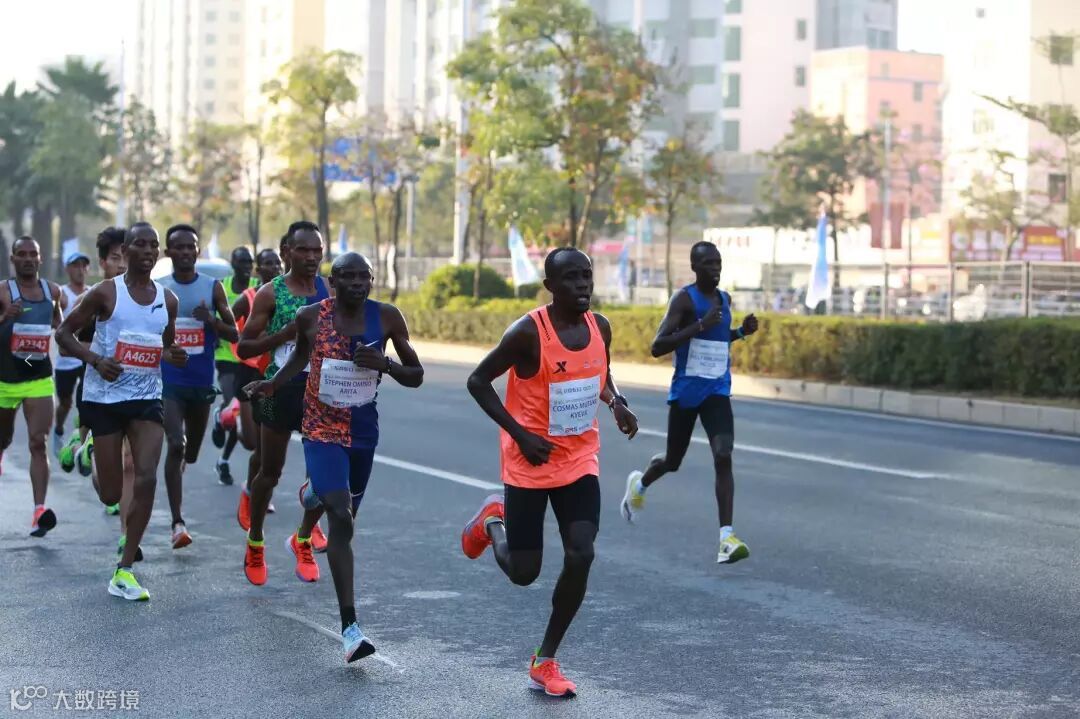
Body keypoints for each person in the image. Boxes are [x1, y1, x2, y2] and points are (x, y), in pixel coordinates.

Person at [459, 247, 638, 698]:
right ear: (550, 286)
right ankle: (491, 521)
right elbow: (478, 381)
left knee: (581, 553)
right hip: (531, 462)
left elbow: (601, 372)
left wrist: (616, 402)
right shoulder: (527, 333)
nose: (583, 285)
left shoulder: (600, 326)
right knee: (524, 572)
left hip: (579, 458)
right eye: (572, 278)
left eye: (587, 276)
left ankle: (546, 659)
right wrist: (520, 435)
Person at [247, 252, 424, 662]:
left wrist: (386, 364)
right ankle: (351, 629)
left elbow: (415, 375)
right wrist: (273, 385)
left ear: (372, 281)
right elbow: (299, 358)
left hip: (362, 432)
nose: (358, 283)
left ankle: (313, 496)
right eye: (349, 276)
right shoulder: (311, 316)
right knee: (341, 517)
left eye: (365, 276)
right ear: (334, 280)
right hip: (321, 428)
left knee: (342, 508)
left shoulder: (387, 317)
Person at [56, 222, 187, 600]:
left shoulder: (168, 300)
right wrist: (96, 360)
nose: (147, 251)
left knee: (146, 478)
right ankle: (92, 450)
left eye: (153, 245)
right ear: (126, 251)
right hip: (104, 399)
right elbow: (63, 335)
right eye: (139, 244)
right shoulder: (105, 293)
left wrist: (172, 355)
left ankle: (125, 569)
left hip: (146, 398)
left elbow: (164, 345)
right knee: (111, 495)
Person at [619, 241, 759, 564]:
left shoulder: (725, 300)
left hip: (717, 391)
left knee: (723, 455)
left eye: (718, 263)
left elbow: (718, 338)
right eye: (709, 264)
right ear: (695, 268)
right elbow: (657, 346)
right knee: (672, 460)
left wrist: (741, 331)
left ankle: (726, 538)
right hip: (686, 393)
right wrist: (699, 324)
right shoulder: (684, 299)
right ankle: (640, 484)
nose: (715, 268)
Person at [237, 221, 330, 583]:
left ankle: (303, 538)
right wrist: (286, 334)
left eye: (316, 250)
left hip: (322, 392)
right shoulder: (270, 293)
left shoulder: (330, 289)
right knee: (270, 472)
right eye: (303, 249)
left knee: (322, 475)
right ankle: (256, 541)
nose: (311, 257)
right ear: (287, 252)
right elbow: (245, 347)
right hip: (280, 388)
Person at [157, 225, 237, 548]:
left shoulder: (212, 287)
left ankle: (187, 456)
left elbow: (234, 333)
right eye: (179, 247)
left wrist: (211, 320)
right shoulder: (160, 289)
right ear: (168, 253)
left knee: (190, 455)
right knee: (175, 444)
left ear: (198, 251)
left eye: (191, 247)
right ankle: (177, 523)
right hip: (169, 382)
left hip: (201, 384)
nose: (186, 252)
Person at [0, 236, 64, 537]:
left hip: (38, 378)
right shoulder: (3, 291)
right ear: (13, 259)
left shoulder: (53, 292)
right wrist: (5, 317)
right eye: (21, 254)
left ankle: (39, 511)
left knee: (38, 442)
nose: (27, 258)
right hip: (5, 381)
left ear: (40, 258)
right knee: (3, 438)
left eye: (32, 254)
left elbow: (60, 327)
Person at [228, 248, 282, 507]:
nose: (275, 267)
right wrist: (245, 338)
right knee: (251, 442)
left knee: (264, 447)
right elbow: (226, 322)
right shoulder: (247, 298)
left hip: (273, 377)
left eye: (277, 263)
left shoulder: (290, 298)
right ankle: (232, 415)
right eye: (268, 263)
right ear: (259, 270)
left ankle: (255, 493)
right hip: (248, 374)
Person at [211, 248, 260, 485]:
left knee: (241, 417)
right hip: (226, 357)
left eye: (250, 262)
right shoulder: (223, 286)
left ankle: (223, 461)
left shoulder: (258, 286)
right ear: (233, 263)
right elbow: (213, 320)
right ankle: (221, 414)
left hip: (251, 360)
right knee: (236, 408)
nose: (247, 266)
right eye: (242, 261)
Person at [52, 251, 91, 457]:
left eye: (84, 266)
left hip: (84, 357)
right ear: (67, 269)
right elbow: (55, 323)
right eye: (75, 266)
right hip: (66, 360)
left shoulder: (93, 293)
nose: (80, 270)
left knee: (85, 400)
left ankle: (82, 436)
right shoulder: (63, 295)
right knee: (66, 403)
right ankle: (58, 430)